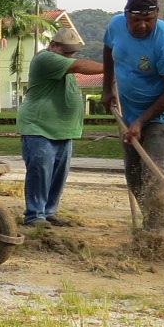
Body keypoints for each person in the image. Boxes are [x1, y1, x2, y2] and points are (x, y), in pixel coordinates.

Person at [102, 0, 164, 234]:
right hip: (132, 110)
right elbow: (108, 51)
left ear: (157, 16)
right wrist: (107, 87)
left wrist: (142, 121)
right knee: (134, 174)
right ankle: (149, 222)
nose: (142, 25)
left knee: (152, 173)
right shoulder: (116, 25)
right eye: (136, 20)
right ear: (126, 15)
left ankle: (156, 236)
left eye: (148, 20)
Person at [16, 23, 103, 226]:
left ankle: (49, 211)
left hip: (63, 129)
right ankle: (35, 214)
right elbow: (80, 66)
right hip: (39, 128)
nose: (69, 56)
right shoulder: (45, 59)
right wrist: (113, 65)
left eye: (72, 52)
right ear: (53, 45)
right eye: (66, 51)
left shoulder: (64, 65)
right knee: (41, 172)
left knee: (57, 174)